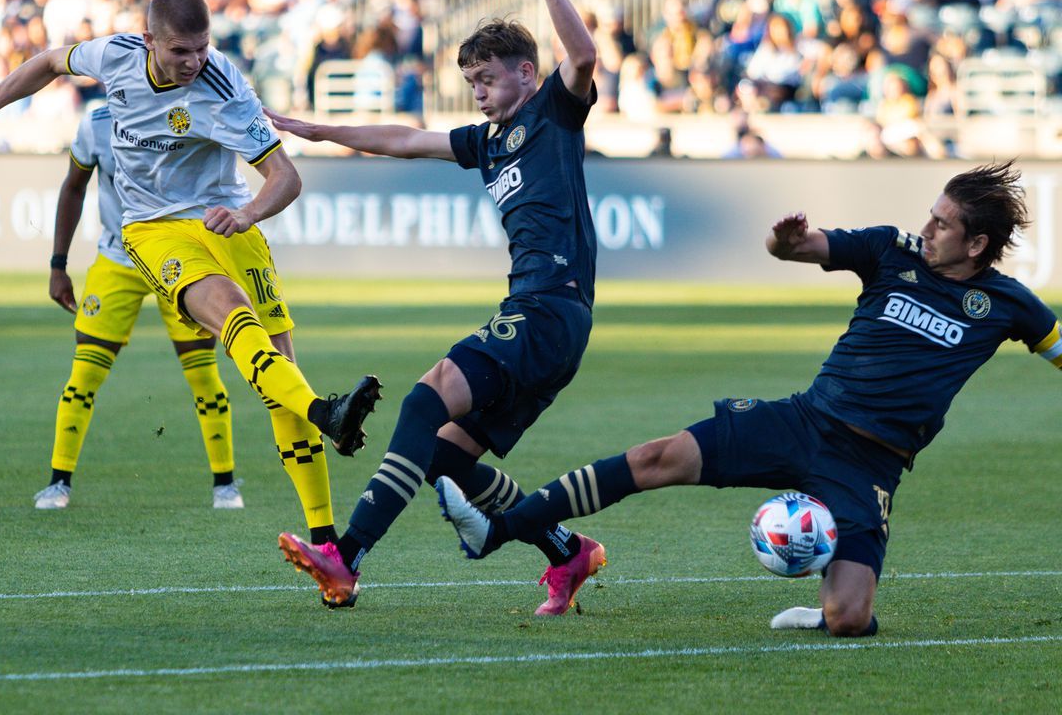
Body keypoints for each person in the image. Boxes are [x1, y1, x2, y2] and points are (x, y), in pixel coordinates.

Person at [439, 161, 1061, 637]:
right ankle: (494, 533)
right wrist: (783, 242)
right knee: (657, 458)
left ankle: (820, 610)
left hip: (870, 465)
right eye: (930, 214)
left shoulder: (1009, 305)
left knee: (848, 620)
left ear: (976, 244)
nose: (925, 228)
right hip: (805, 421)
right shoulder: (887, 250)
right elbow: (800, 248)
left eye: (942, 224)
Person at [0, 0, 382, 547]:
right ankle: (328, 417)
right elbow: (48, 62)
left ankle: (330, 552)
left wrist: (249, 213)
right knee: (231, 317)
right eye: (181, 51)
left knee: (280, 383)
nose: (194, 61)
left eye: (202, 47)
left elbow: (286, 178)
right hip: (153, 230)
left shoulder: (224, 88)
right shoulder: (115, 56)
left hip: (228, 222)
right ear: (149, 39)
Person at [272, 0, 606, 615]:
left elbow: (582, 57)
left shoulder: (553, 111)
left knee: (427, 398)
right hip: (548, 319)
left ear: (525, 71)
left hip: (547, 306)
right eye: (471, 83)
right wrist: (319, 129)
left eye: (487, 79)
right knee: (447, 455)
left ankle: (347, 555)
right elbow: (402, 138)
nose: (479, 93)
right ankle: (567, 553)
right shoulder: (486, 142)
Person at [33, 106, 241, 510]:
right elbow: (73, 187)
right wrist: (58, 264)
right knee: (85, 372)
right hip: (117, 256)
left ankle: (226, 485)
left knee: (202, 373)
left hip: (179, 260)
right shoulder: (97, 124)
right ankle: (59, 483)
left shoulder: (186, 114)